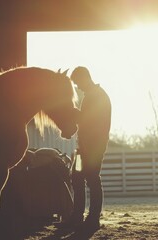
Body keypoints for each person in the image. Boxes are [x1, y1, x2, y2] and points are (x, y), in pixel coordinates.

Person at [62, 66, 111, 232]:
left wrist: (72, 112)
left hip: (93, 148)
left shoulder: (97, 97)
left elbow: (88, 120)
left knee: (92, 179)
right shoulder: (92, 95)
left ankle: (92, 218)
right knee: (77, 178)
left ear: (84, 78)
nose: (78, 87)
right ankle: (78, 216)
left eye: (78, 83)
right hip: (83, 148)